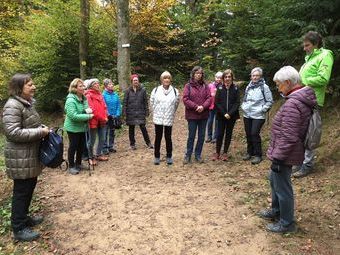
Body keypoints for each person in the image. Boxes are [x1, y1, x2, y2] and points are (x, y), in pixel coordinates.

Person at [259, 66, 317, 233]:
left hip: (285, 154)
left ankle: (287, 224)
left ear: (287, 83)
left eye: (278, 84)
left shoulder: (293, 103)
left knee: (283, 188)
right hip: (284, 152)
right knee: (274, 180)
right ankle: (276, 211)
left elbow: (289, 136)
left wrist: (278, 158)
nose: (278, 88)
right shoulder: (296, 99)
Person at [2, 74, 49, 241]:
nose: (33, 87)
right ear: (19, 88)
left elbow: (29, 124)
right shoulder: (12, 106)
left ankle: (24, 218)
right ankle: (18, 228)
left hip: (29, 155)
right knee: (21, 191)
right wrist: (40, 132)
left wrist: (40, 127)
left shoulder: (26, 103)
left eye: (33, 83)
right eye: (29, 84)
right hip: (20, 157)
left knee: (29, 187)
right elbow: (12, 132)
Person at [293, 31, 334, 178]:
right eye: (303, 45)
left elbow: (323, 78)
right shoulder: (308, 59)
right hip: (301, 99)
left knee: (310, 133)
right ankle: (298, 162)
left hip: (312, 100)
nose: (304, 48)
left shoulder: (325, 55)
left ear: (316, 44)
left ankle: (307, 165)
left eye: (307, 45)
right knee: (299, 132)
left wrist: (304, 82)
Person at [241, 67, 273, 164]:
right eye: (253, 75)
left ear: (260, 76)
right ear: (251, 77)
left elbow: (270, 101)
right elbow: (245, 99)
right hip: (247, 114)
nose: (254, 77)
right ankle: (249, 152)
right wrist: (244, 106)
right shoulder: (249, 86)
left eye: (257, 76)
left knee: (254, 133)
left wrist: (262, 110)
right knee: (248, 134)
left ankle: (258, 154)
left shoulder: (264, 87)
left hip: (258, 115)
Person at [64, 78, 94, 174]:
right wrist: (88, 116)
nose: (83, 88)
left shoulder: (83, 98)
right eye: (80, 86)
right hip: (72, 128)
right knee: (73, 146)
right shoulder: (70, 100)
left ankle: (78, 163)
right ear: (74, 88)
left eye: (83, 86)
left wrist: (88, 110)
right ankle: (71, 166)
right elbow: (73, 116)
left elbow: (85, 108)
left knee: (81, 146)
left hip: (82, 127)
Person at [182, 66, 211, 164]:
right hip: (192, 116)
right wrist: (196, 107)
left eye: (200, 73)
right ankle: (188, 155)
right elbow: (185, 99)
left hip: (203, 115)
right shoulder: (188, 86)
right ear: (193, 74)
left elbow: (209, 98)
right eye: (197, 73)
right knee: (191, 136)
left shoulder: (205, 86)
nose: (199, 75)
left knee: (201, 136)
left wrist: (203, 106)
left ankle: (198, 154)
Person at [150, 71, 180, 165]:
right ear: (161, 80)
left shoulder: (175, 91)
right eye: (164, 78)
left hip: (169, 117)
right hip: (158, 117)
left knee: (168, 137)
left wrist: (170, 113)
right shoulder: (155, 90)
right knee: (158, 137)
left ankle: (169, 156)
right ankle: (156, 156)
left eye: (168, 78)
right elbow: (152, 102)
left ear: (170, 80)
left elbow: (176, 104)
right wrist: (156, 113)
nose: (166, 80)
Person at [212, 69, 240, 161]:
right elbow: (217, 103)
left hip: (232, 116)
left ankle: (225, 153)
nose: (227, 79)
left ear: (232, 77)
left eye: (229, 77)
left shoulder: (235, 88)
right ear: (223, 78)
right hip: (221, 115)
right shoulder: (219, 88)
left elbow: (237, 102)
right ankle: (217, 152)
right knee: (219, 134)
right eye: (226, 77)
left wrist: (230, 113)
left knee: (228, 134)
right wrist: (224, 113)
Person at [123, 74, 153, 150]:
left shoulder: (143, 90)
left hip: (140, 112)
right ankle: (132, 144)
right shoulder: (127, 91)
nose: (135, 81)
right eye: (134, 80)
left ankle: (148, 143)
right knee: (131, 129)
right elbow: (125, 103)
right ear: (131, 81)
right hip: (131, 113)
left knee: (143, 128)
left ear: (138, 81)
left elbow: (145, 102)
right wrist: (124, 113)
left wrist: (147, 111)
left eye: (136, 80)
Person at [84, 78, 108, 165]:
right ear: (91, 86)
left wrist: (106, 115)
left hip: (102, 121)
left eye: (98, 83)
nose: (97, 85)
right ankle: (91, 157)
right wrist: (102, 117)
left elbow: (104, 106)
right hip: (93, 121)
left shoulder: (100, 94)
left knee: (102, 138)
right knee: (92, 140)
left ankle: (98, 154)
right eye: (95, 84)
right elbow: (92, 109)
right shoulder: (88, 95)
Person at [102, 78, 121, 154]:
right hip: (106, 117)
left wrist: (117, 114)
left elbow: (118, 105)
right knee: (105, 132)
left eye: (112, 84)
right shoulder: (103, 95)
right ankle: (104, 148)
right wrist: (108, 114)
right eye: (110, 84)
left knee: (112, 132)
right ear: (106, 86)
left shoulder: (115, 94)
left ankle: (111, 146)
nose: (112, 85)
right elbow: (103, 106)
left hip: (114, 116)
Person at [206, 71, 223, 143]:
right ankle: (209, 136)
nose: (218, 79)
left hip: (219, 107)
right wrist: (211, 95)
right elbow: (206, 95)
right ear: (215, 77)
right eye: (217, 77)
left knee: (217, 122)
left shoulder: (223, 86)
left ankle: (215, 137)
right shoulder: (210, 85)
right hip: (211, 106)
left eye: (220, 78)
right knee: (209, 121)